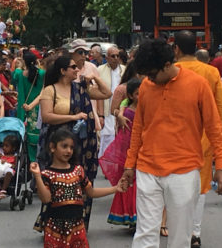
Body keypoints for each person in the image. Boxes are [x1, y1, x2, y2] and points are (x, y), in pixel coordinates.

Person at [121, 38, 222, 248]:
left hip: (184, 171)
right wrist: (129, 164)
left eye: (152, 74)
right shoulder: (146, 88)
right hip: (147, 169)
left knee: (180, 237)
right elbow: (138, 129)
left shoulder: (198, 85)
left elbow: (214, 127)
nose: (149, 79)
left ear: (168, 65)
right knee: (144, 234)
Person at [174, 30, 222, 247]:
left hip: (174, 137)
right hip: (204, 137)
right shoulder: (210, 72)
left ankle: (178, 230)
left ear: (176, 49)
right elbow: (221, 106)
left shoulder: (171, 71)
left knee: (173, 184)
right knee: (200, 186)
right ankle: (195, 232)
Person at [36, 56, 111, 231]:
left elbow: (106, 94)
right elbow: (47, 116)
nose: (77, 70)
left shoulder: (81, 88)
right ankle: (53, 222)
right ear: (63, 71)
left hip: (83, 144)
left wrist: (96, 78)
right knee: (58, 182)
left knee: (81, 181)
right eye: (73, 67)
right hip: (59, 144)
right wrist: (73, 117)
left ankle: (79, 223)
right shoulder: (49, 90)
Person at [30, 127, 125, 248]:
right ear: (52, 147)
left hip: (77, 228)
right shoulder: (47, 175)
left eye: (71, 147)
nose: (68, 151)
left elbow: (91, 192)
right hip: (55, 230)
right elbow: (46, 198)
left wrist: (115, 188)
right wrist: (37, 176)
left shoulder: (78, 171)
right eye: (64, 146)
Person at [99, 78, 140, 228]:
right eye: (137, 94)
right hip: (131, 152)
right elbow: (125, 137)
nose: (141, 96)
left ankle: (134, 217)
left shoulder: (141, 110)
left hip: (141, 152)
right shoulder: (128, 113)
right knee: (131, 183)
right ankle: (131, 216)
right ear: (130, 96)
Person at [12, 51, 45, 162]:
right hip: (38, 108)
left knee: (25, 135)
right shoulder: (41, 73)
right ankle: (37, 160)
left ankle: (30, 161)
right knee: (36, 135)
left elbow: (14, 79)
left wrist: (20, 65)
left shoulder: (19, 74)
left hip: (23, 109)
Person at [97, 45, 126, 158]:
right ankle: (107, 161)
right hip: (106, 109)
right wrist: (100, 114)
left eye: (117, 56)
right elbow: (97, 92)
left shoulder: (125, 70)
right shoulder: (100, 70)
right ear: (107, 57)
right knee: (107, 136)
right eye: (113, 56)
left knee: (119, 136)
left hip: (121, 108)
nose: (115, 58)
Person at [0, 135, 19, 200]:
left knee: (9, 171)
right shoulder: (1, 154)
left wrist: (9, 163)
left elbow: (14, 165)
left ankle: (3, 190)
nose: (4, 148)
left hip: (7, 169)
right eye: (3, 146)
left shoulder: (15, 156)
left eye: (6, 146)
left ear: (13, 148)